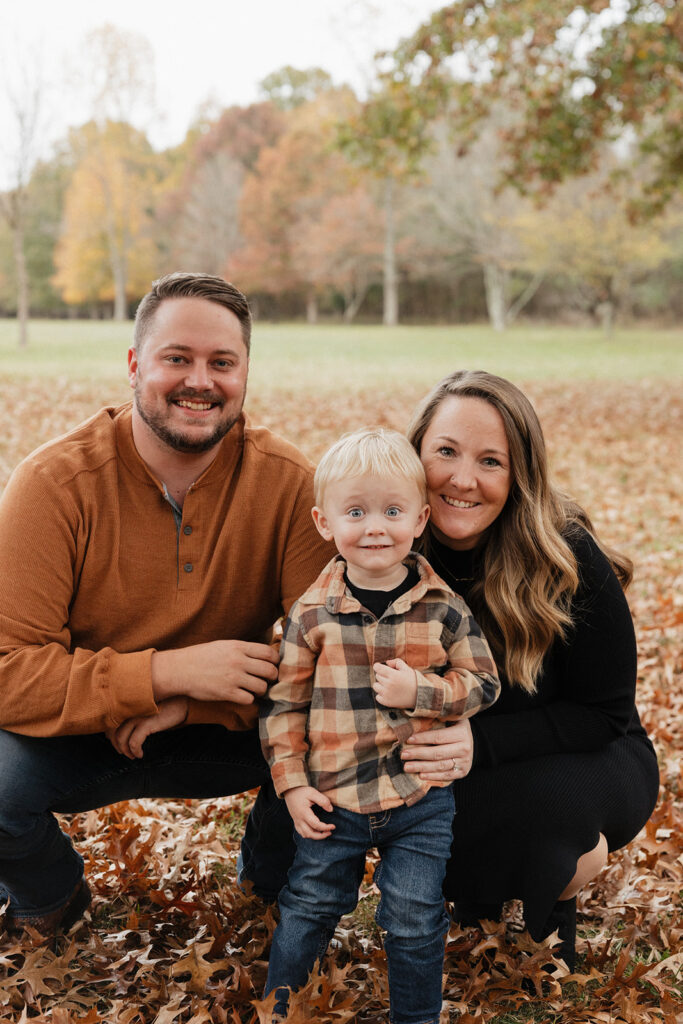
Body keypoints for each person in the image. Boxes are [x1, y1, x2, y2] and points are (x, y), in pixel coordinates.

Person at [0, 272, 332, 936]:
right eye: (176, 358)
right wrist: (162, 676)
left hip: (228, 726)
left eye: (221, 362)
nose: (199, 381)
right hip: (85, 732)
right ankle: (51, 897)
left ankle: (272, 890)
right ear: (134, 366)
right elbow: (8, 671)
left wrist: (197, 698)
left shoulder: (289, 482)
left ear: (244, 373)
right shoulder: (53, 484)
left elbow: (330, 659)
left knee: (342, 738)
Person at [396, 370, 660, 970]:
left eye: (492, 461)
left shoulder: (563, 553)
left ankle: (558, 892)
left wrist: (476, 742)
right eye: (445, 451)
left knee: (551, 812)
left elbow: (606, 712)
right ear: (415, 454)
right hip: (461, 756)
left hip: (590, 748)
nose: (463, 479)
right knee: (432, 818)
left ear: (520, 476)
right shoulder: (388, 547)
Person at [260, 428, 500, 1024]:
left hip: (418, 800)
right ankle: (282, 1009)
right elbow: (284, 705)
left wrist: (421, 692)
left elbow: (484, 683)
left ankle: (416, 1018)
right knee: (310, 905)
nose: (375, 528)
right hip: (333, 798)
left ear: (420, 519)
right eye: (356, 512)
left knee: (415, 914)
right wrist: (291, 784)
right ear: (324, 522)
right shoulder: (312, 612)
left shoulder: (443, 607)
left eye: (392, 511)